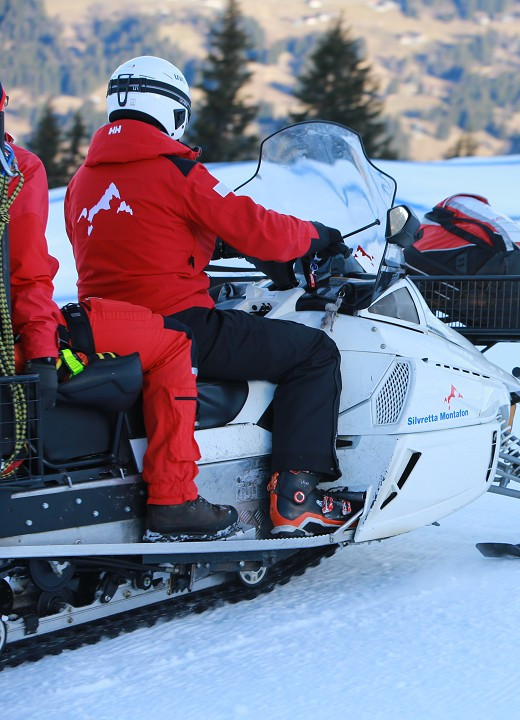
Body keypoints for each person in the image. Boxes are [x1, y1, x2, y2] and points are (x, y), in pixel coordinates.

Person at [64, 56, 359, 537]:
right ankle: (297, 498)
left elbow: (127, 240)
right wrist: (317, 235)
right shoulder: (176, 171)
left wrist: (200, 242)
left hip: (105, 327)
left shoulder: (82, 180)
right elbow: (257, 227)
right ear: (172, 112)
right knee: (313, 353)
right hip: (179, 325)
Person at [1, 78, 239, 541]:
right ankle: (174, 499)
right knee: (175, 345)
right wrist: (43, 353)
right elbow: (27, 275)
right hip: (22, 340)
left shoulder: (83, 179)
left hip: (84, 310)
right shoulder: (16, 169)